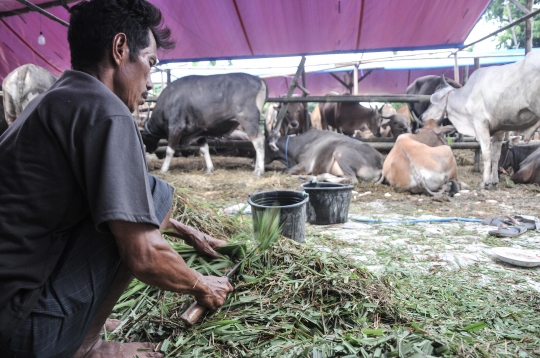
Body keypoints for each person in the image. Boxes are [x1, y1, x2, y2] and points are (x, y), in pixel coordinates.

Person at [0, 0, 233, 356]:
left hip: (8, 309)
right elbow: (143, 254)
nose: (151, 83)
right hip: (24, 333)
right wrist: (202, 284)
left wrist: (186, 231)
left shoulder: (51, 101)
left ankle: (83, 331)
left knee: (150, 194)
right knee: (156, 197)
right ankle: (87, 346)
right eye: (151, 63)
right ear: (120, 49)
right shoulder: (107, 112)